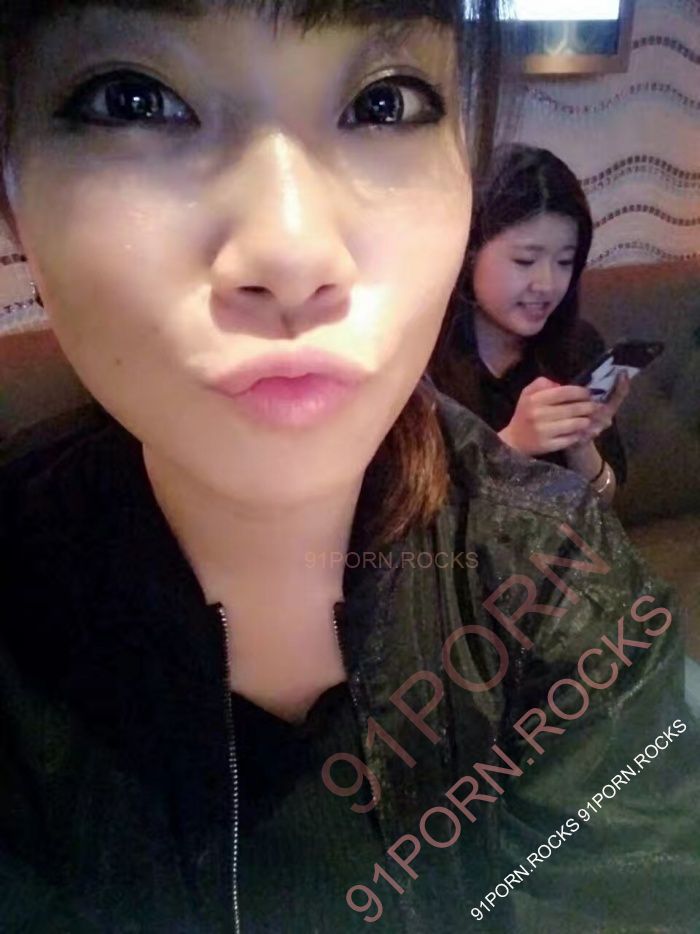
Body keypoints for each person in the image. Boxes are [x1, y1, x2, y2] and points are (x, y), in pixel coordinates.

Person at [0, 3, 699, 933]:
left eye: (385, 103)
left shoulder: (560, 575)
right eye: (132, 99)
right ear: (13, 201)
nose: (293, 256)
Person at [430, 143, 628, 507]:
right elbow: (412, 520)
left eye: (564, 261)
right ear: (469, 253)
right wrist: (511, 445)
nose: (547, 285)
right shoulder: (423, 363)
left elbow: (605, 507)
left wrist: (580, 444)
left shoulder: (578, 345)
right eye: (525, 261)